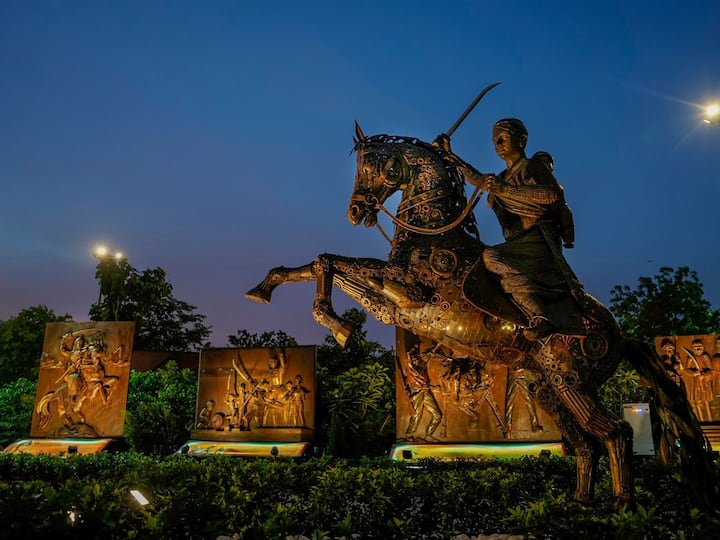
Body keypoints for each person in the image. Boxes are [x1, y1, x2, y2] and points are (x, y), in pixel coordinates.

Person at [443, 118, 576, 340]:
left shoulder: (532, 167)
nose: (499, 143)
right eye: (495, 141)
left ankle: (542, 315)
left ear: (522, 140)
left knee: (491, 255)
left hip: (537, 240)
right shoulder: (502, 177)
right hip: (517, 242)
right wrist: (450, 155)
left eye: (503, 137)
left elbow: (551, 195)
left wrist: (506, 191)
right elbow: (478, 179)